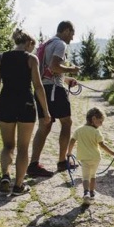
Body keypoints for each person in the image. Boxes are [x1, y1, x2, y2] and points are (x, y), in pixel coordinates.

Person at [0, 28, 52, 196]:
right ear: (28, 43)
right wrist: (46, 112)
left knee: (8, 146)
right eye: (33, 45)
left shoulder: (1, 57)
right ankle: (18, 186)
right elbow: (38, 87)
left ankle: (5, 175)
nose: (33, 48)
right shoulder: (31, 59)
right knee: (23, 148)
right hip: (25, 104)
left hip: (6, 103)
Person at [27, 21, 80, 177]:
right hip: (55, 90)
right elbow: (54, 67)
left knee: (44, 125)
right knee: (67, 122)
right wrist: (73, 69)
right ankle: (62, 161)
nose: (72, 36)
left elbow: (46, 71)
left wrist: (66, 79)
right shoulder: (61, 44)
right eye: (72, 32)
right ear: (65, 31)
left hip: (42, 89)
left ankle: (33, 164)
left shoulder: (45, 44)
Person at [66, 107, 114, 205]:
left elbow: (72, 141)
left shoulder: (79, 130)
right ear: (94, 119)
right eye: (100, 121)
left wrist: (69, 152)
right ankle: (92, 193)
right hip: (96, 158)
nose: (101, 124)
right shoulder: (96, 132)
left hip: (84, 158)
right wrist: (113, 153)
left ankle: (86, 192)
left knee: (85, 177)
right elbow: (102, 145)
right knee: (93, 176)